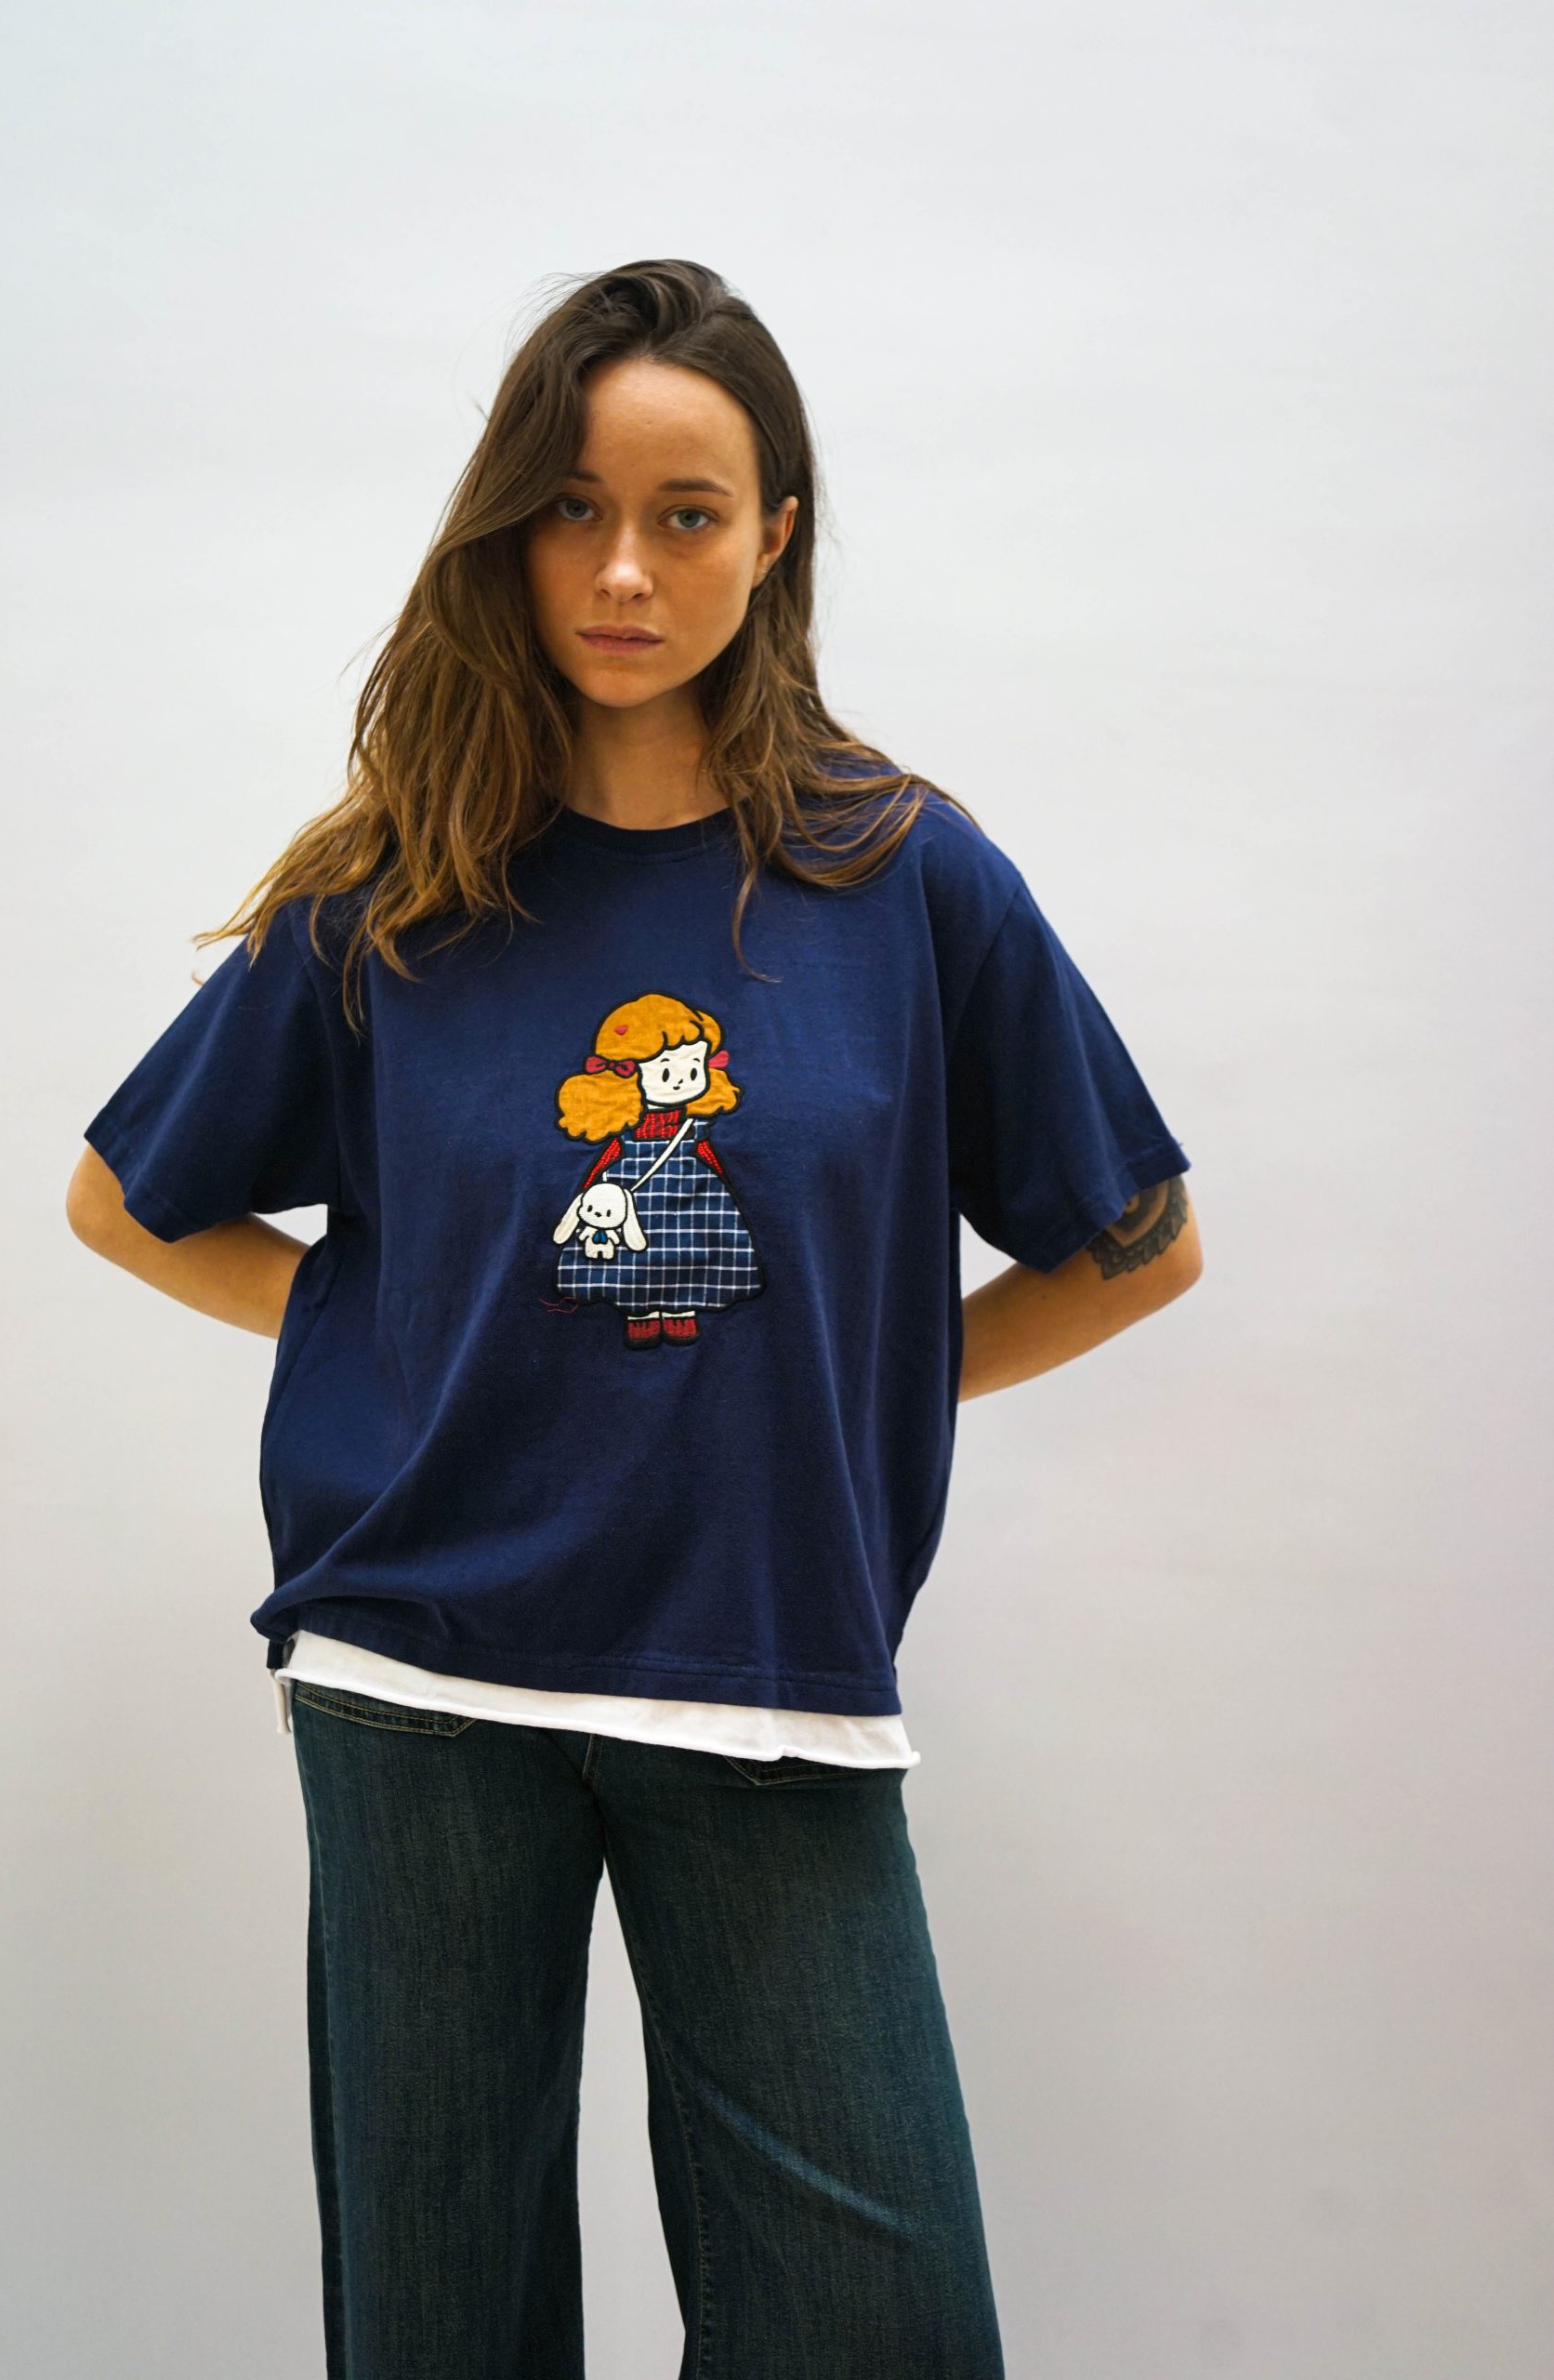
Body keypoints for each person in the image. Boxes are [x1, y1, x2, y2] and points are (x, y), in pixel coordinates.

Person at [68, 258, 1202, 2379]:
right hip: (417, 1671)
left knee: (875, 2325)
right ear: (508, 530)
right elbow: (123, 1202)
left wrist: (868, 1375)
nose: (619, 570)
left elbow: (1137, 1242)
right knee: (443, 2324)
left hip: (765, 1667)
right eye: (571, 509)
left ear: (774, 536)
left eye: (685, 513)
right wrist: (399, 1332)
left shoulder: (900, 873)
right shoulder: (398, 883)